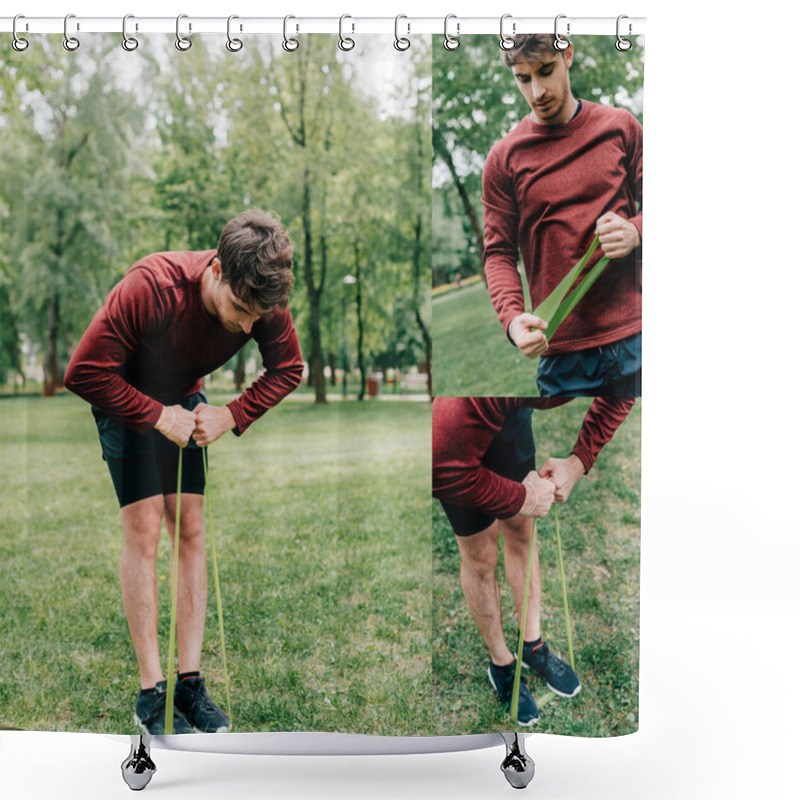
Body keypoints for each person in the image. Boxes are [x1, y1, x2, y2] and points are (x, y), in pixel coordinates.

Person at [64, 209, 304, 735]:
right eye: (239, 309)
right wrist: (155, 415)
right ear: (216, 271)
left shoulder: (263, 300)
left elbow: (289, 368)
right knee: (145, 529)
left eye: (255, 317)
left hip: (186, 400)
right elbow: (82, 371)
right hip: (124, 398)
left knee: (190, 528)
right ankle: (152, 693)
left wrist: (232, 413)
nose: (246, 326)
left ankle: (190, 684)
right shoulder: (151, 286)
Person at [432, 396, 634, 725]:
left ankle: (532, 646)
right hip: (456, 444)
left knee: (523, 535)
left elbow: (622, 389)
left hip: (510, 424)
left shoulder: (605, 355)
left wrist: (580, 460)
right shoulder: (456, 409)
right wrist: (524, 496)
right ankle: (501, 663)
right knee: (481, 555)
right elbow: (443, 472)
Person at [482, 34, 643, 397]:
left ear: (567, 54)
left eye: (545, 71)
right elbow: (498, 254)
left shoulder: (621, 126)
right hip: (561, 358)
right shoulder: (503, 159)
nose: (537, 91)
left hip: (638, 337)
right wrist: (512, 320)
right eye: (524, 79)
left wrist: (636, 230)